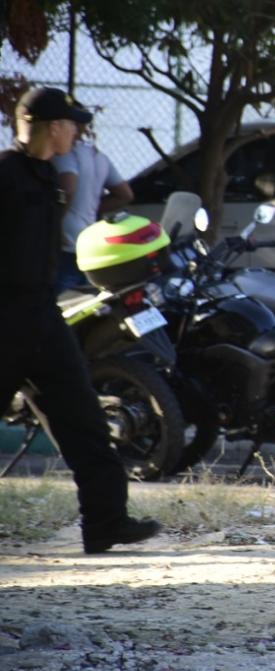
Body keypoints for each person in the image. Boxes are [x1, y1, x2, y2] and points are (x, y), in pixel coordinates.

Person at [0, 87, 161, 554]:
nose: (77, 131)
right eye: (71, 124)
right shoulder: (5, 174)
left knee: (84, 419)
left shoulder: (50, 175)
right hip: (4, 320)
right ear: (53, 127)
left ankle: (106, 522)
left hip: (43, 317)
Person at [51, 105, 133, 294]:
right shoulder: (99, 156)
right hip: (89, 241)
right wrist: (92, 207)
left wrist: (56, 222)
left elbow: (68, 189)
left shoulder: (66, 154)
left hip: (65, 239)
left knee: (50, 299)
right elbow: (125, 195)